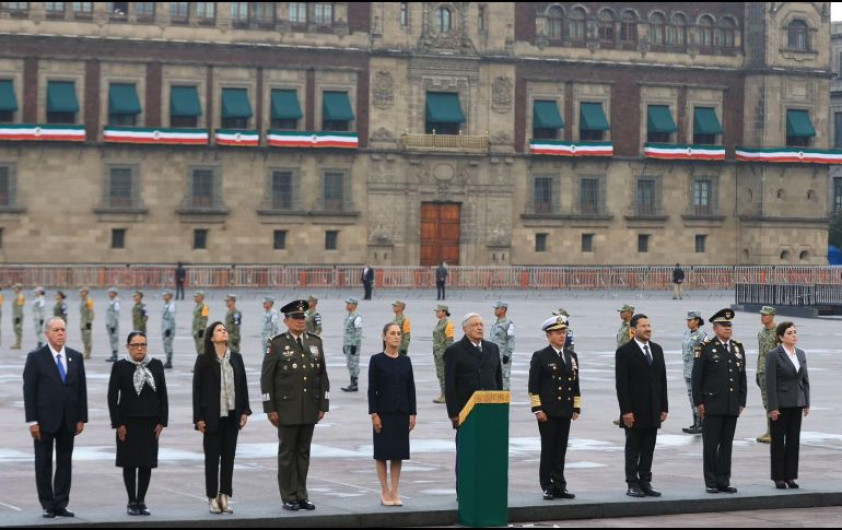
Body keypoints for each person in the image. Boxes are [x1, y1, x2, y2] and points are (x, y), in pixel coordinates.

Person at [262, 300, 329, 512]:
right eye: (296, 318)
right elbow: (267, 379)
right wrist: (270, 408)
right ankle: (288, 496)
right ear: (286, 321)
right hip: (286, 409)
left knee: (303, 453)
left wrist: (323, 405)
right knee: (287, 455)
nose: (301, 321)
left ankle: (302, 494)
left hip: (308, 408)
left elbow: (322, 375)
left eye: (303, 317)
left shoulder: (315, 342)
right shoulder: (277, 344)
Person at [23, 317, 88, 519]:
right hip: (44, 421)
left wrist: (81, 418)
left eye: (63, 330)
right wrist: (32, 421)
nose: (60, 333)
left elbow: (81, 390)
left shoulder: (75, 357)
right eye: (56, 330)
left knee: (64, 461)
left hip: (68, 419)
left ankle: (61, 502)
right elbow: (29, 391)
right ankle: (47, 504)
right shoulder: (36, 358)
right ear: (47, 334)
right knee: (43, 463)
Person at [193, 322, 251, 515]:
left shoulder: (237, 358)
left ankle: (224, 496)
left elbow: (242, 386)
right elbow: (197, 390)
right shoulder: (203, 360)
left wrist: (244, 411)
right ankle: (211, 497)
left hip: (232, 416)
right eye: (219, 330)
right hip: (211, 417)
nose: (224, 331)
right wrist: (198, 418)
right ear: (211, 337)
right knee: (212, 459)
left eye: (224, 329)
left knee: (229, 458)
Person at [107, 331, 168, 516]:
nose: (140, 348)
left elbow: (163, 395)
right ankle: (131, 501)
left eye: (143, 344)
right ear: (128, 347)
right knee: (129, 463)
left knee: (146, 463)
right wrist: (118, 424)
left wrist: (162, 421)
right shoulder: (120, 366)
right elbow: (112, 397)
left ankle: (142, 500)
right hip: (128, 423)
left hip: (150, 423)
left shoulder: (156, 365)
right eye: (135, 345)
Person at [444, 313, 503, 491]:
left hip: (489, 411)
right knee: (466, 454)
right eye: (475, 325)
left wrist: (499, 407)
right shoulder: (454, 351)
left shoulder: (492, 348)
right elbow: (450, 385)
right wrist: (454, 414)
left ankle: (486, 488)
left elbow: (498, 380)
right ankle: (464, 490)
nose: (479, 328)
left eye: (481, 324)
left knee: (488, 453)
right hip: (467, 412)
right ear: (465, 329)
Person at [693, 308, 747, 494]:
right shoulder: (705, 348)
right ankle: (711, 481)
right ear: (715, 328)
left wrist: (742, 401)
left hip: (731, 405)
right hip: (712, 405)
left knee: (726, 445)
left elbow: (742, 377)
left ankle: (724, 480)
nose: (727, 329)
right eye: (723, 326)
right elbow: (696, 378)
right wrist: (699, 403)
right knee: (710, 445)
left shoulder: (737, 348)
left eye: (729, 325)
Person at [615, 313, 668, 498]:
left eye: (649, 325)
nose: (648, 329)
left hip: (653, 408)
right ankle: (632, 483)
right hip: (634, 411)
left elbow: (662, 380)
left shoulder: (657, 349)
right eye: (643, 326)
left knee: (648, 448)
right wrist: (626, 411)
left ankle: (645, 481)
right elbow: (621, 385)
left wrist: (664, 407)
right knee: (633, 448)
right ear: (633, 330)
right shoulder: (624, 352)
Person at [529, 315, 580, 501]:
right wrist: (537, 409)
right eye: (558, 333)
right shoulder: (541, 356)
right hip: (548, 412)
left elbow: (575, 384)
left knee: (560, 449)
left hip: (565, 410)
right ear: (549, 335)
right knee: (548, 448)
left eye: (564, 332)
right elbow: (533, 386)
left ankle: (560, 485)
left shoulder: (571, 356)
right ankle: (547, 485)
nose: (562, 336)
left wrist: (576, 407)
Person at [368, 322, 417, 506]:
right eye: (393, 333)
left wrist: (413, 413)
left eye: (399, 334)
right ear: (384, 336)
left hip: (402, 412)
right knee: (382, 453)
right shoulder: (377, 360)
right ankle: (384, 491)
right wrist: (374, 413)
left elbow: (410, 388)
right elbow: (372, 389)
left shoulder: (406, 360)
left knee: (397, 453)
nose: (397, 336)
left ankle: (395, 491)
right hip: (383, 413)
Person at [766, 322, 810, 490]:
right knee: (778, 442)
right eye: (790, 333)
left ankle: (790, 476)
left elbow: (805, 379)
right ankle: (778, 477)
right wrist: (773, 407)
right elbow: (770, 383)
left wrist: (806, 401)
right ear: (781, 337)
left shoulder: (800, 353)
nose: (794, 335)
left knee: (793, 441)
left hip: (797, 402)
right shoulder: (774, 355)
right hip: (781, 404)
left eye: (795, 332)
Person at [681, 311, 707, 435]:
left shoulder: (702, 335)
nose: (688, 322)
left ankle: (702, 423)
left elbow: (706, 352)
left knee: (697, 397)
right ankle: (695, 422)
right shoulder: (686, 333)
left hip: (696, 371)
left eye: (690, 320)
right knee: (691, 398)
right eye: (687, 320)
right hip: (687, 370)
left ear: (697, 321)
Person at [756, 306, 777, 444]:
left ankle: (774, 432)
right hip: (762, 371)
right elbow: (760, 354)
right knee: (766, 403)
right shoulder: (761, 333)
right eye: (762, 314)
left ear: (772, 316)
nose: (762, 317)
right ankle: (770, 431)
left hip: (773, 372)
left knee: (773, 404)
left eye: (765, 315)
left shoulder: (778, 333)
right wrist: (758, 372)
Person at [490, 301, 515, 391]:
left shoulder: (508, 323)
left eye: (497, 308)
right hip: (494, 356)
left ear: (503, 309)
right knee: (495, 380)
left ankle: (504, 402)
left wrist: (507, 354)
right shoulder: (495, 323)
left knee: (504, 379)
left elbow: (511, 340)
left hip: (503, 356)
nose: (495, 310)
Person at [432, 304, 454, 404]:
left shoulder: (448, 324)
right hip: (438, 353)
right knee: (440, 374)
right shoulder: (439, 323)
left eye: (438, 311)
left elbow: (449, 341)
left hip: (443, 353)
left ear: (444, 312)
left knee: (444, 375)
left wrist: (448, 354)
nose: (437, 312)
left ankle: (446, 395)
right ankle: (443, 394)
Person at [342, 297, 363, 392]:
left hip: (354, 345)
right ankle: (352, 383)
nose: (347, 305)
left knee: (354, 363)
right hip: (348, 344)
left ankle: (355, 384)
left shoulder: (357, 317)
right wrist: (345, 344)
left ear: (354, 305)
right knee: (349, 363)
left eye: (349, 304)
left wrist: (354, 344)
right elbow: (347, 332)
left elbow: (358, 333)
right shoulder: (348, 316)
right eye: (347, 303)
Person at [161, 290, 176, 369]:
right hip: (165, 327)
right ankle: (168, 360)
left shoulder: (171, 305)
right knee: (166, 344)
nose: (163, 296)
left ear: (170, 296)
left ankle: (169, 361)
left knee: (168, 344)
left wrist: (169, 329)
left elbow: (172, 318)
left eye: (165, 295)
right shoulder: (166, 305)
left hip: (168, 328)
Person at [106, 287, 121, 362]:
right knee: (111, 339)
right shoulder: (112, 301)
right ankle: (113, 354)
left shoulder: (116, 302)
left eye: (110, 293)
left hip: (113, 324)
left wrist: (113, 325)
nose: (109, 294)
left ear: (114, 293)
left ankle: (115, 355)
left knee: (114, 339)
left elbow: (116, 314)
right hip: (109, 323)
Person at [79, 287, 94, 359]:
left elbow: (91, 312)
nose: (81, 293)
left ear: (86, 293)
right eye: (81, 292)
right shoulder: (82, 300)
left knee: (88, 337)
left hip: (87, 322)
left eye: (82, 292)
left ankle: (88, 352)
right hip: (82, 322)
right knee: (83, 338)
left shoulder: (89, 301)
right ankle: (85, 350)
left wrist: (89, 322)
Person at [193, 292, 210, 356]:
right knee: (198, 348)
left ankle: (203, 363)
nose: (195, 298)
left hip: (200, 330)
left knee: (201, 348)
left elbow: (204, 319)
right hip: (196, 330)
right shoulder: (197, 306)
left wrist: (202, 329)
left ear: (201, 297)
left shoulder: (205, 307)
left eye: (197, 297)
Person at [12, 282, 24, 349]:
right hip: (15, 314)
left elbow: (20, 307)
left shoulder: (20, 296)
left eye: (15, 288)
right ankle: (17, 343)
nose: (14, 289)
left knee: (18, 329)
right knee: (16, 329)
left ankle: (18, 344)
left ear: (19, 289)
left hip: (18, 315)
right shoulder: (17, 295)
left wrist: (18, 317)